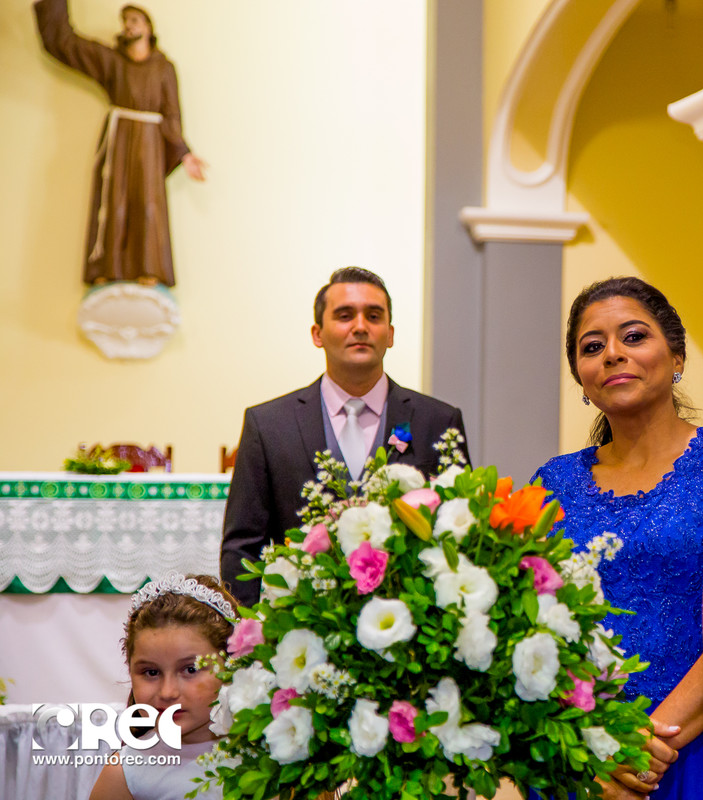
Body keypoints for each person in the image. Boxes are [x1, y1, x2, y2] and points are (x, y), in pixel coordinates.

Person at [531, 277, 703, 800]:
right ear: (581, 378)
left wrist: (643, 749)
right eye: (592, 347)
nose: (613, 354)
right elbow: (531, 631)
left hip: (697, 749)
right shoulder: (552, 483)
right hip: (581, 762)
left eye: (634, 337)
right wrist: (593, 748)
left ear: (677, 356)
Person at [220, 267, 469, 607]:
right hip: (302, 621)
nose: (361, 326)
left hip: (409, 621)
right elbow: (243, 547)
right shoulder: (268, 425)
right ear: (317, 333)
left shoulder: (438, 421)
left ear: (390, 334)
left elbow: (460, 529)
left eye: (374, 316)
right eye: (344, 315)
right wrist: (249, 628)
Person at [34, 0, 206, 287]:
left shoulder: (163, 68)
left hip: (149, 146)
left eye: (135, 20)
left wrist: (184, 153)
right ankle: (107, 267)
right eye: (125, 20)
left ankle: (149, 268)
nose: (128, 26)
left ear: (148, 28)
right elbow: (66, 44)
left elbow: (172, 114)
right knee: (113, 203)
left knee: (148, 206)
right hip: (119, 141)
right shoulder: (114, 62)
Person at [89, 573, 234, 800]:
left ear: (231, 667)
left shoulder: (268, 761)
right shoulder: (124, 773)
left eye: (190, 670)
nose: (168, 692)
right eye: (152, 672)